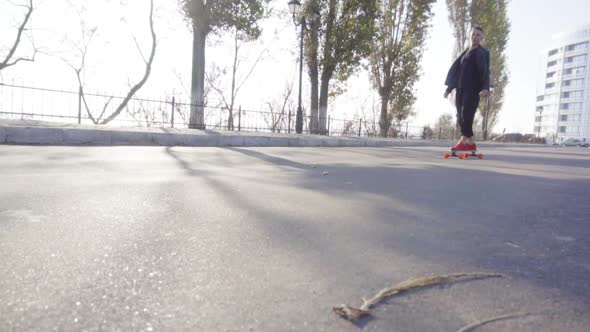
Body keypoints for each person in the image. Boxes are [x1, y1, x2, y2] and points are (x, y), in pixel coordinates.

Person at [444, 26, 490, 151]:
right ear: (471, 35)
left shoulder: (483, 52)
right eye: (473, 34)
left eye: (478, 35)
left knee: (467, 114)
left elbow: (486, 72)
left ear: (482, 38)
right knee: (460, 116)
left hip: (472, 89)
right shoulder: (465, 52)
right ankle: (470, 142)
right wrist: (449, 88)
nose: (475, 37)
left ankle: (463, 140)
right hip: (460, 88)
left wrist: (486, 87)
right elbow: (458, 71)